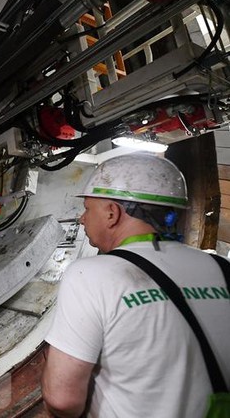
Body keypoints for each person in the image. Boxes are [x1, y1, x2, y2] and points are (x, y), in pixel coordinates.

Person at [41, 152, 229, 417]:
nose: (82, 219)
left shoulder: (91, 275)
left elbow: (63, 400)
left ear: (111, 213)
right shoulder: (221, 268)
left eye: (87, 209)